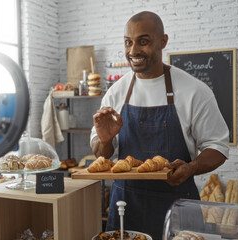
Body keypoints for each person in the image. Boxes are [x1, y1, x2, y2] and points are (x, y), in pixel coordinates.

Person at [90, 11, 229, 239]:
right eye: (128, 42)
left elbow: (219, 147)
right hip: (125, 207)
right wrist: (104, 141)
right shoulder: (115, 93)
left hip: (178, 207)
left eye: (143, 42)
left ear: (163, 41)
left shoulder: (194, 91)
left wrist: (192, 167)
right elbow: (102, 153)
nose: (133, 51)